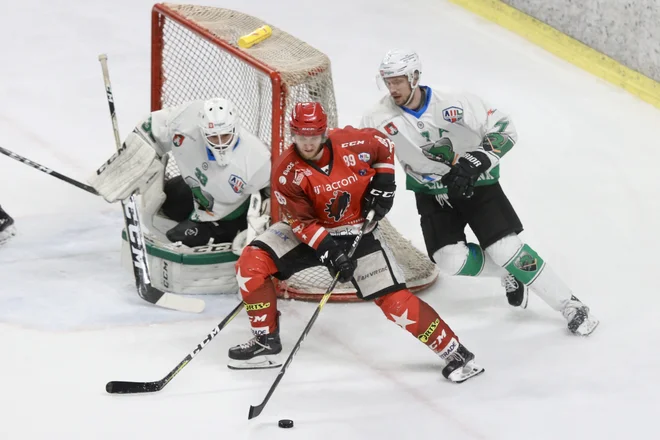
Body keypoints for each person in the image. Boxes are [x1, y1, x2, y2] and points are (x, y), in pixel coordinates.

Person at [227, 102, 484, 383]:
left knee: (395, 302)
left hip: (357, 229)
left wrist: (385, 181)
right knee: (251, 263)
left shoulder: (353, 141)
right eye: (301, 136)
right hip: (311, 234)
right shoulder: (286, 172)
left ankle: (454, 352)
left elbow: (384, 144)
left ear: (323, 132)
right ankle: (265, 339)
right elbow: (302, 223)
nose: (308, 142)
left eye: (313, 135)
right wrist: (331, 254)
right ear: (293, 134)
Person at [361, 49, 598, 336]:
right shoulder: (377, 118)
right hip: (430, 192)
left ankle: (570, 304)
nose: (392, 88)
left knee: (506, 249)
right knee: (449, 260)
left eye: (398, 80)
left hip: (478, 183)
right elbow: (364, 157)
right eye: (388, 82)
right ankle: (511, 272)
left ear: (415, 76)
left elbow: (504, 127)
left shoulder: (455, 102)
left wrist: (480, 158)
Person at [90, 97, 271, 294]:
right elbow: (152, 127)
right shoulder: (186, 122)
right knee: (166, 201)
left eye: (225, 136)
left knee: (175, 236)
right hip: (198, 190)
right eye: (212, 137)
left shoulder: (257, 159)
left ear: (235, 128)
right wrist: (133, 162)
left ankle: (218, 232)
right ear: (202, 130)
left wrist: (255, 230)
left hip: (227, 215)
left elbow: (271, 197)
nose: (219, 143)